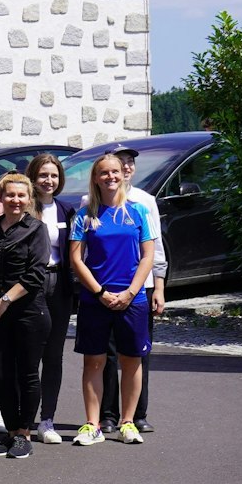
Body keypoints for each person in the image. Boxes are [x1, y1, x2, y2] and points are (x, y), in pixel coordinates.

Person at [69, 153, 156, 447]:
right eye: (104, 173)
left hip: (133, 299)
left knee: (132, 360)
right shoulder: (84, 214)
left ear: (123, 174)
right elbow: (76, 259)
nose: (110, 177)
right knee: (93, 361)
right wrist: (100, 292)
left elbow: (148, 256)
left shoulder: (139, 211)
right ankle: (92, 424)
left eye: (115, 172)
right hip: (96, 300)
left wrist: (131, 292)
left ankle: (127, 422)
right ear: (95, 177)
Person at [0, 173, 50, 459]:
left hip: (28, 312)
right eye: (10, 195)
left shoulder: (36, 229)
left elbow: (35, 274)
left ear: (29, 199)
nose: (15, 200)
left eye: (21, 196)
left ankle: (24, 433)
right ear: (1, 198)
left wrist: (4, 300)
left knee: (27, 374)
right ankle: (9, 433)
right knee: (0, 374)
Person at [100, 147, 166, 435]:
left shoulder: (145, 201)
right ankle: (109, 414)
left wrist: (159, 287)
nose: (124, 168)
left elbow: (156, 249)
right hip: (106, 289)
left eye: (128, 163)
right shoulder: (92, 202)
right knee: (107, 354)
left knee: (138, 354)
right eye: (118, 163)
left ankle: (138, 414)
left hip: (140, 288)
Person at [29, 153, 74, 443]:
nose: (49, 180)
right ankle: (23, 420)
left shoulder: (66, 210)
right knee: (29, 354)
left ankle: (47, 419)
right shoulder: (23, 207)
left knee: (53, 355)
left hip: (59, 283)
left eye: (54, 175)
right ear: (33, 177)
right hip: (30, 285)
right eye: (43, 175)